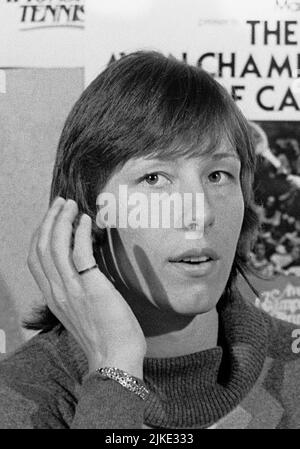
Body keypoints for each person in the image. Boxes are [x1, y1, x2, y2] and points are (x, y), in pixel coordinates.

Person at [0, 51, 299, 429]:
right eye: (155, 179)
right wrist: (115, 372)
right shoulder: (17, 397)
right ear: (88, 208)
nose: (200, 214)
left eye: (218, 175)